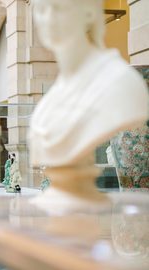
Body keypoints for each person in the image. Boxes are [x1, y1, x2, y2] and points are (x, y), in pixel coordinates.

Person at [28, 0, 148, 206]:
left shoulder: (120, 83)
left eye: (58, 8)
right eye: (41, 10)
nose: (48, 18)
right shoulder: (51, 99)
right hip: (57, 212)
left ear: (89, 14)